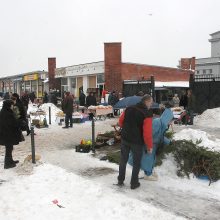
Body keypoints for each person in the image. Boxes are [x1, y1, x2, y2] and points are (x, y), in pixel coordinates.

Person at [117, 94, 153, 189]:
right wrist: (149, 147)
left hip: (125, 138)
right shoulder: (147, 114)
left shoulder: (129, 108)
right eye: (151, 103)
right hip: (136, 142)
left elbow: (120, 122)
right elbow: (147, 133)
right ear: (147, 102)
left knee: (123, 159)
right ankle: (134, 183)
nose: (151, 105)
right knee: (136, 163)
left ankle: (120, 180)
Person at [128, 108, 174, 181]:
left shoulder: (162, 124)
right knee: (147, 160)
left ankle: (148, 172)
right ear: (167, 118)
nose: (171, 122)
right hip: (147, 144)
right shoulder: (157, 123)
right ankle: (147, 174)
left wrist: (169, 142)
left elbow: (160, 137)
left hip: (152, 144)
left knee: (149, 160)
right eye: (171, 120)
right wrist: (148, 145)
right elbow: (149, 134)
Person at [0, 100, 24, 169]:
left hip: (7, 133)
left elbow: (12, 121)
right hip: (7, 134)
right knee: (8, 148)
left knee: (10, 147)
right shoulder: (6, 113)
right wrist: (20, 122)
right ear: (8, 105)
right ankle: (7, 164)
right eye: (11, 105)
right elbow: (12, 123)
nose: (12, 106)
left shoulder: (5, 111)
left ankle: (10, 161)